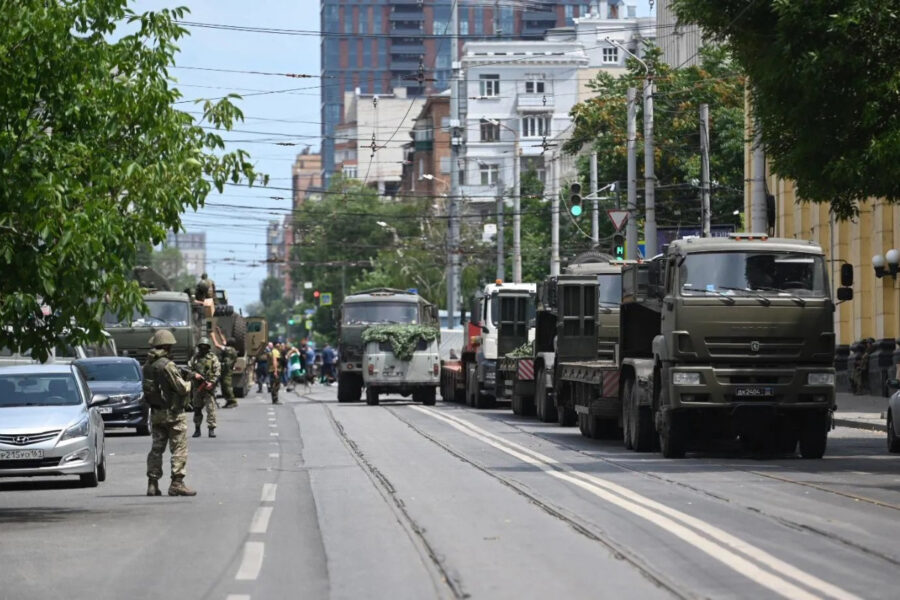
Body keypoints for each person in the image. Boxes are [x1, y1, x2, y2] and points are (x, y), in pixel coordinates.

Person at [143, 330, 199, 497]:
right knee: (179, 448)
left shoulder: (147, 366)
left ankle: (152, 484)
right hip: (173, 414)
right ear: (167, 346)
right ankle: (177, 483)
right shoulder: (167, 365)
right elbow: (181, 388)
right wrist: (190, 382)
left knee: (156, 449)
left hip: (156, 413)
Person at [189, 337, 221, 438]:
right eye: (201, 347)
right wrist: (195, 375)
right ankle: (197, 429)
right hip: (197, 388)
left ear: (208, 347)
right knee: (197, 409)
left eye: (205, 347)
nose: (203, 349)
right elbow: (189, 370)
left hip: (208, 388)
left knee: (210, 409)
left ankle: (211, 429)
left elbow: (217, 371)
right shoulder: (194, 358)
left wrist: (212, 382)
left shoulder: (213, 358)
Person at [219, 338, 239, 408]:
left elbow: (217, 345)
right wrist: (219, 333)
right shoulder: (231, 350)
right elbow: (224, 341)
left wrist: (213, 336)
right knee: (223, 386)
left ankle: (233, 401)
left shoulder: (230, 350)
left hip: (227, 371)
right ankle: (228, 401)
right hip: (225, 370)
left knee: (226, 385)